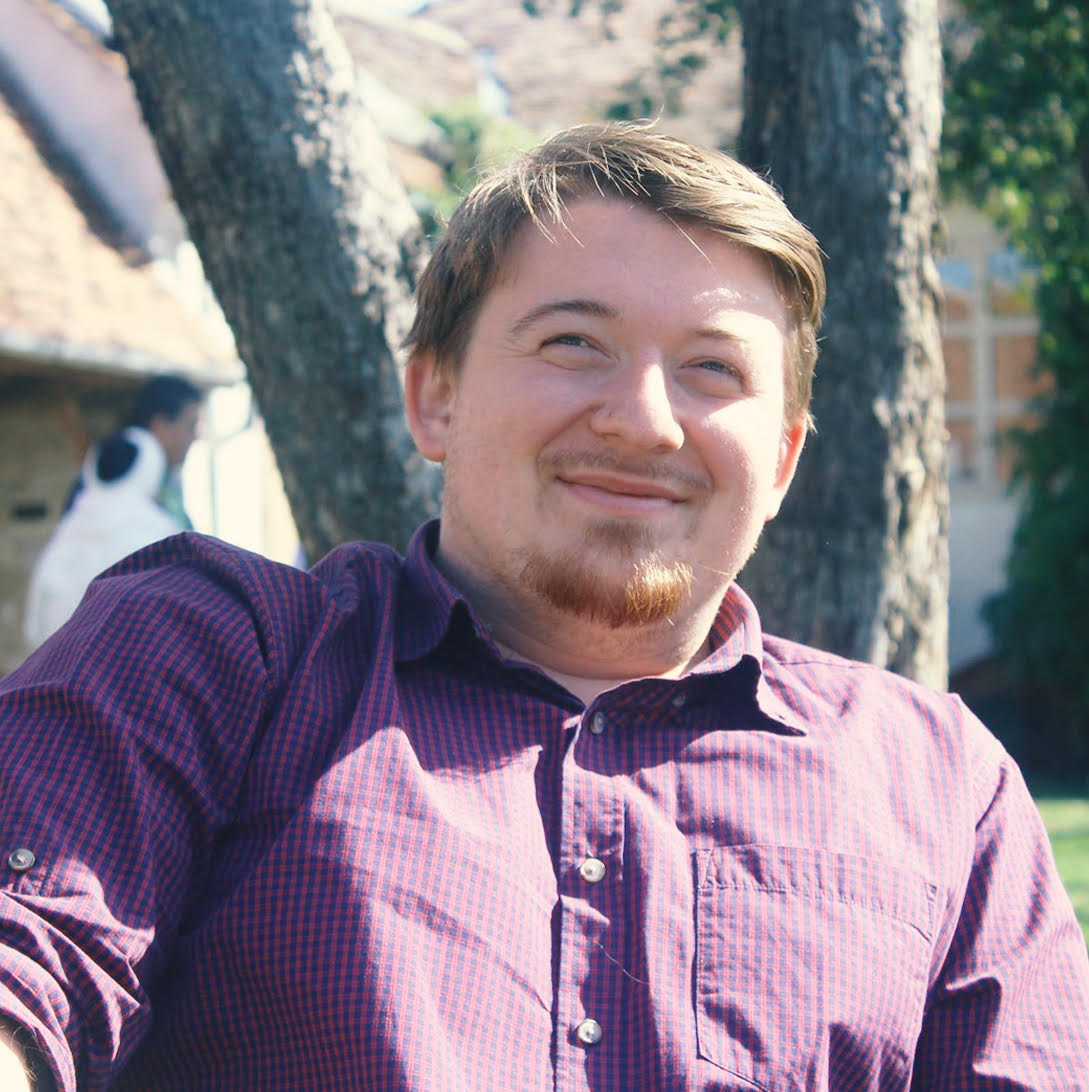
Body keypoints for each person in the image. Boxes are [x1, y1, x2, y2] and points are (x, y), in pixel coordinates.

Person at [0, 123, 1086, 1090]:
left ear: (785, 460)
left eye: (713, 370)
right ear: (436, 394)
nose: (644, 421)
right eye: (574, 343)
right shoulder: (217, 653)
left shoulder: (940, 786)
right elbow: (26, 965)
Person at [22, 428, 186, 648]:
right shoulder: (163, 533)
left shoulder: (68, 529)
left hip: (64, 663)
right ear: (151, 469)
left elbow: (35, 627)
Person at [62, 374, 203, 529]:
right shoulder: (111, 481)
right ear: (160, 425)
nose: (196, 437)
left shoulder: (170, 482)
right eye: (191, 426)